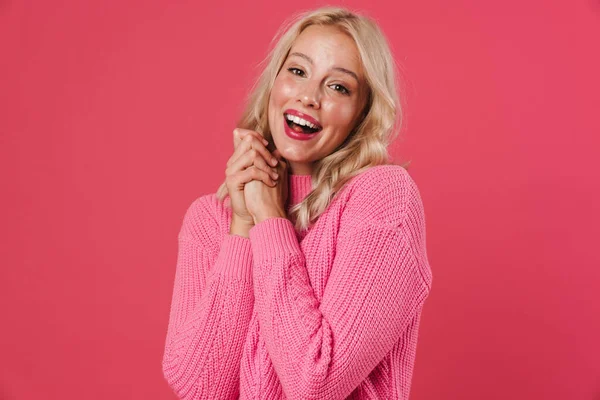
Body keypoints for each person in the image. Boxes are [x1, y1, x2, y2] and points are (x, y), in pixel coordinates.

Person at [162, 6, 433, 400]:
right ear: (274, 82)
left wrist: (270, 219)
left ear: (362, 115)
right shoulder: (210, 218)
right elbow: (200, 388)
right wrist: (242, 225)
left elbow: (315, 383)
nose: (309, 97)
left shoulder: (382, 200)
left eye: (338, 87)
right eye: (298, 71)